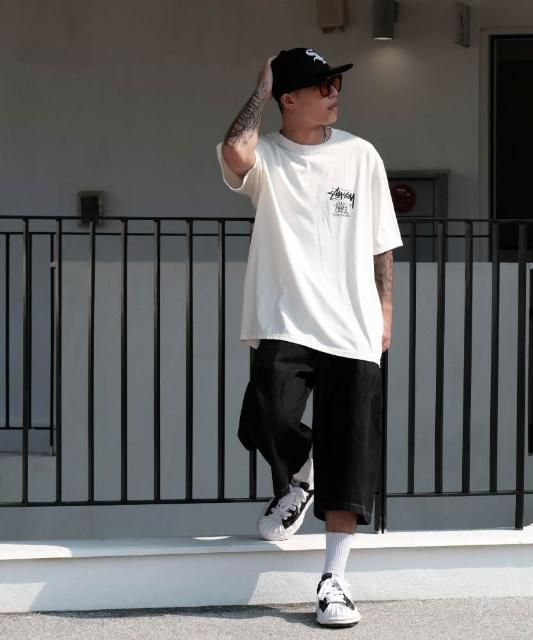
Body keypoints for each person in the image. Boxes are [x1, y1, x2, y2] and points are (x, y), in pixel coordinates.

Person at [215, 47, 402, 628]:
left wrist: (385, 307)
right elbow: (234, 149)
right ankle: (299, 476)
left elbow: (381, 239)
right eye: (322, 86)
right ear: (288, 100)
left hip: (352, 325)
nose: (334, 92)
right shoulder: (266, 157)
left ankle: (334, 582)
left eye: (336, 83)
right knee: (269, 413)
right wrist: (261, 85)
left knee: (349, 453)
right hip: (284, 319)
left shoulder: (361, 154)